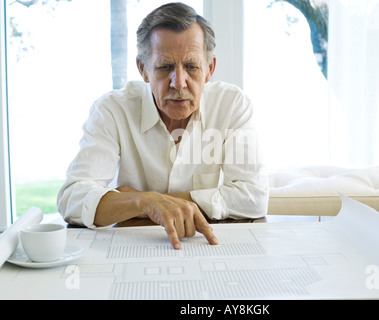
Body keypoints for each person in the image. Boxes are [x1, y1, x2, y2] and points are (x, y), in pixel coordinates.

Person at [57, 2, 269, 250]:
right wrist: (144, 202)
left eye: (191, 66)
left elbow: (253, 197)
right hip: (135, 247)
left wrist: (137, 202)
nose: (179, 83)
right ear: (144, 69)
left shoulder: (232, 105)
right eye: (165, 67)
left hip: (204, 245)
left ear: (209, 69)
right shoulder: (112, 110)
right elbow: (72, 199)